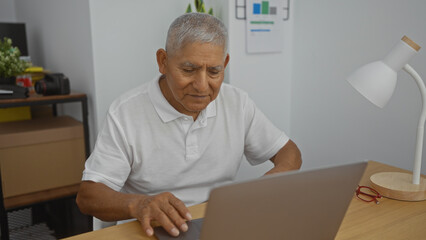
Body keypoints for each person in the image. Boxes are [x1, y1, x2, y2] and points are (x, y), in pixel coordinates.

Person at [76, 12, 302, 238]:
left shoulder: (237, 103)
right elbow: (88, 197)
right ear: (163, 62)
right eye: (188, 70)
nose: (202, 86)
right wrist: (140, 204)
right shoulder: (125, 112)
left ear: (225, 64)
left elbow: (289, 152)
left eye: (214, 71)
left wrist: (267, 186)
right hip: (149, 230)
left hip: (215, 223)